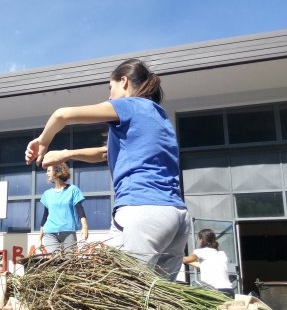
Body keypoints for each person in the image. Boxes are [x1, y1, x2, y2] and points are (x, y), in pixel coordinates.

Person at [25, 58, 190, 281]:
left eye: (110, 88)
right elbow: (105, 154)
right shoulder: (158, 115)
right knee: (156, 302)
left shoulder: (129, 105)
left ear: (123, 82)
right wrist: (67, 153)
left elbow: (61, 115)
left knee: (118, 291)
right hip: (177, 217)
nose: (109, 96)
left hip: (142, 210)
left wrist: (43, 141)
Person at [38, 163, 88, 254]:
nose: (46, 173)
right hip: (50, 232)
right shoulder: (47, 194)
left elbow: (80, 210)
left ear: (57, 171)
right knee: (54, 262)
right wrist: (40, 237)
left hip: (68, 231)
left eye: (49, 171)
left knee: (69, 262)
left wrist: (84, 227)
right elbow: (45, 217)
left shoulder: (73, 190)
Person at [183, 229, 234, 297]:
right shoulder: (222, 254)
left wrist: (174, 256)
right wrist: (190, 262)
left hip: (214, 291)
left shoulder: (201, 251)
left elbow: (185, 260)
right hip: (228, 291)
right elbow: (202, 265)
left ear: (201, 240)